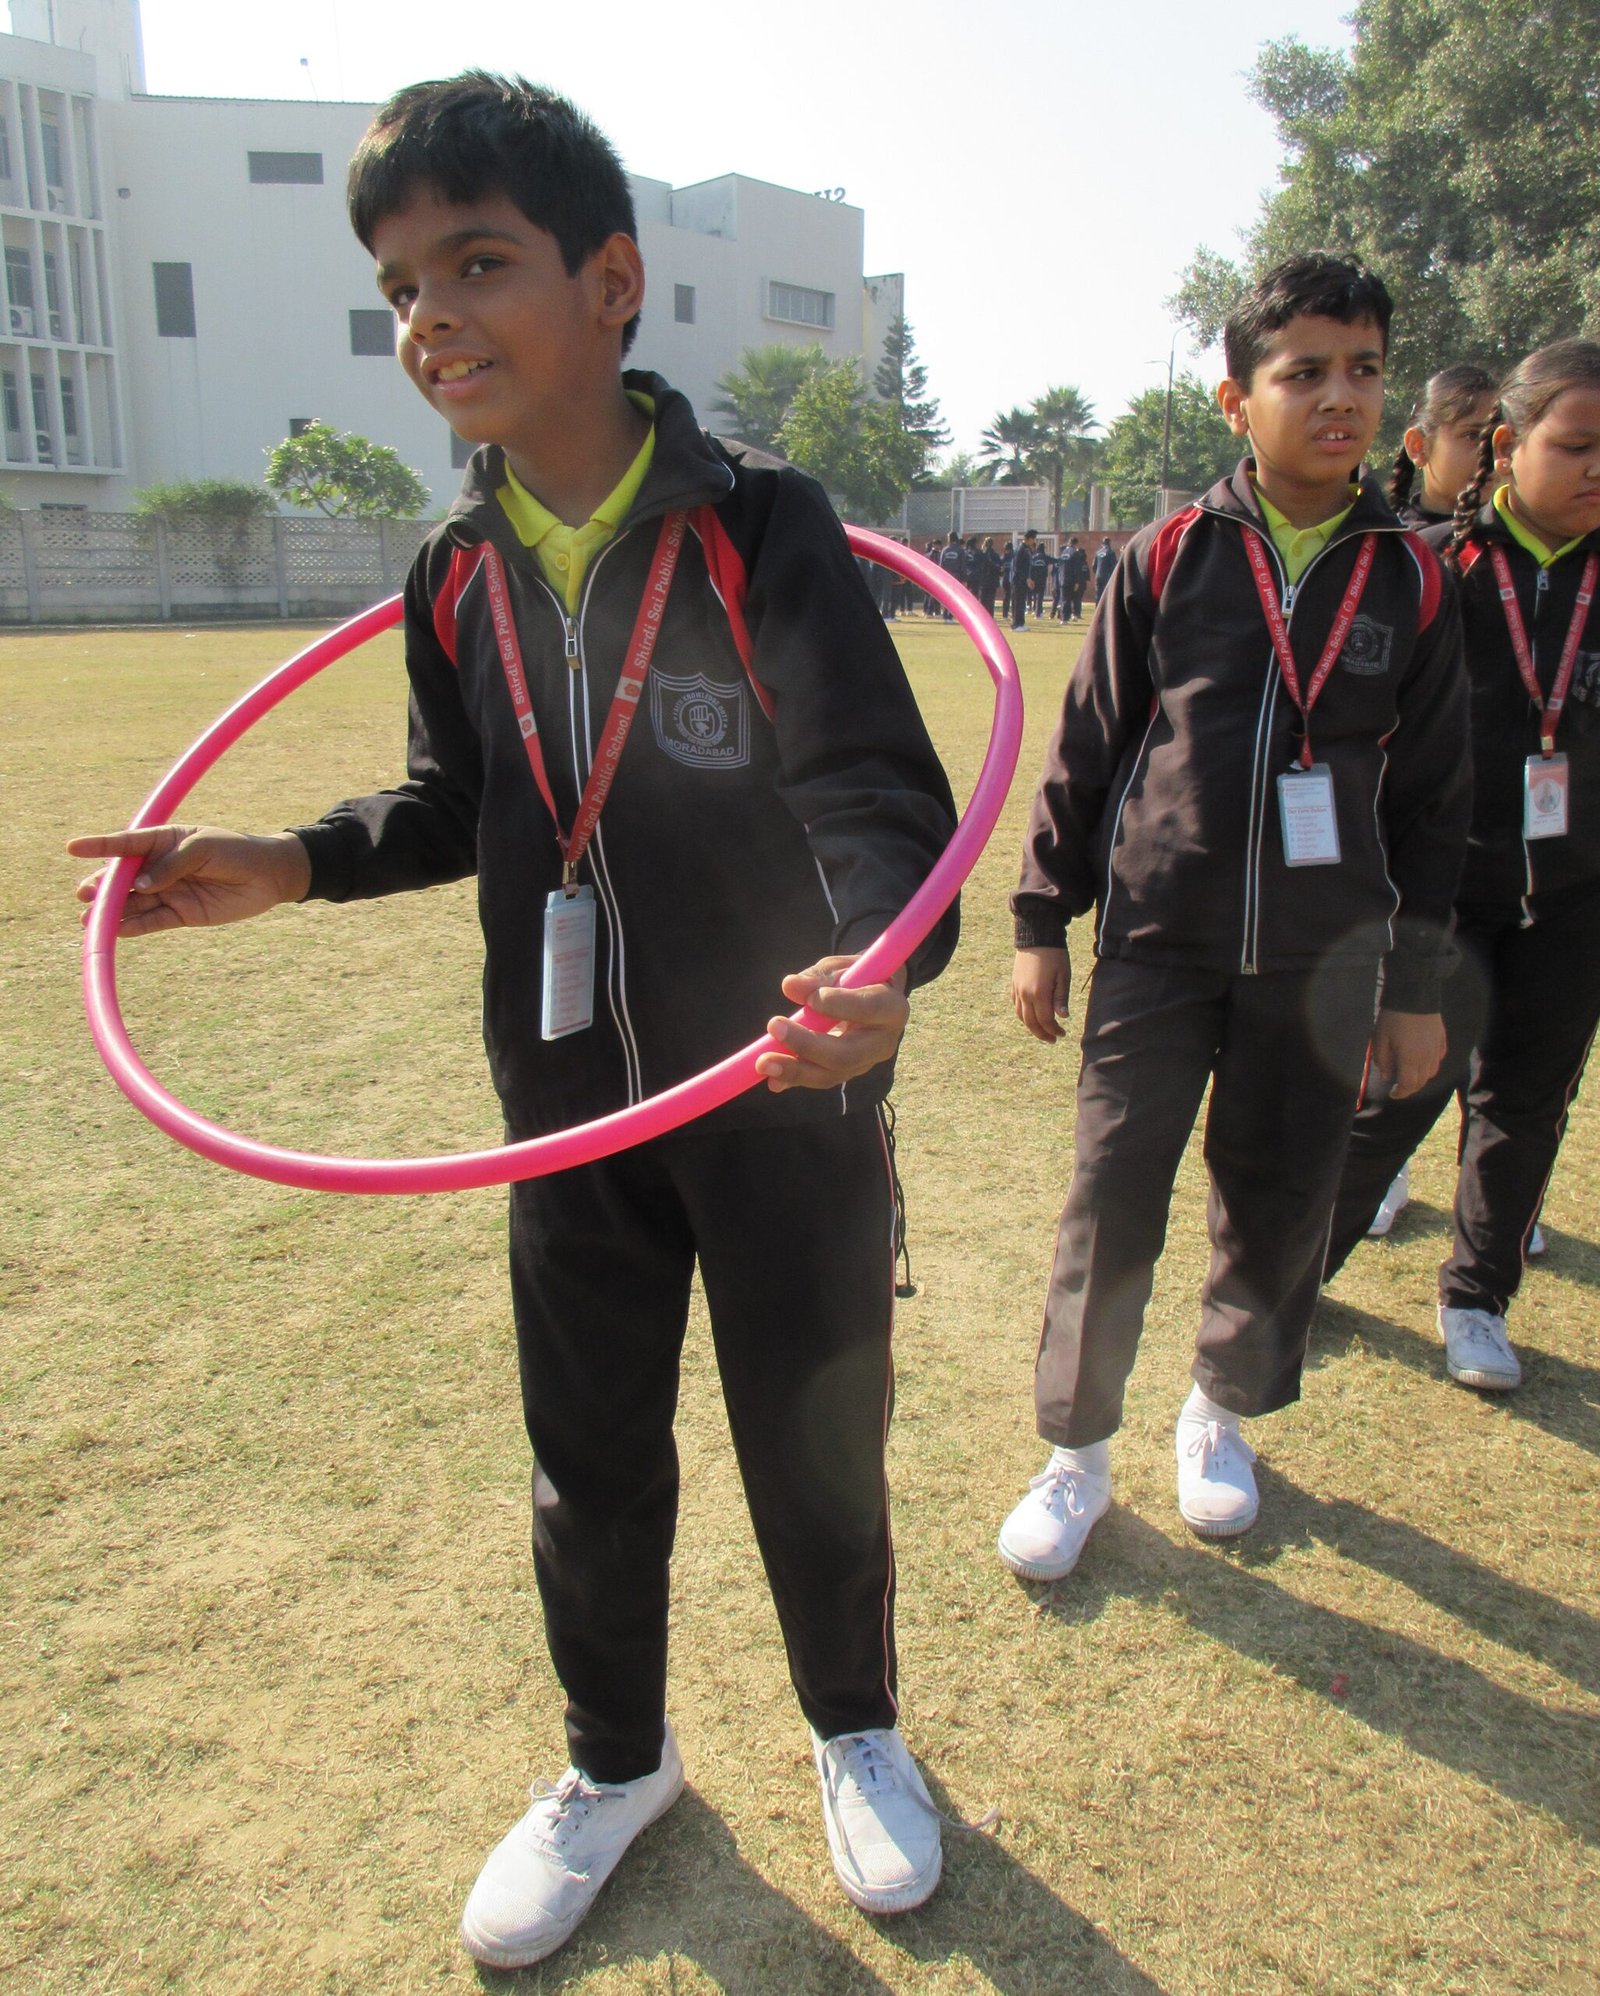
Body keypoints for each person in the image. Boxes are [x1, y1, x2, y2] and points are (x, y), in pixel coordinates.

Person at [70, 72, 958, 1967]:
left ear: (611, 281)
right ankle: (615, 1761)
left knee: (816, 1439)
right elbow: (454, 805)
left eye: (477, 264)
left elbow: (881, 801)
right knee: (588, 1454)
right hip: (565, 1111)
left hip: (780, 1095)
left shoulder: (761, 526)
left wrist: (879, 964)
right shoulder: (453, 569)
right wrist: (291, 862)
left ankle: (856, 1727)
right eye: (401, 285)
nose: (432, 318)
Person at [995, 254, 1469, 1582]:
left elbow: (1437, 805)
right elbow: (1085, 749)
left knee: (1278, 1199)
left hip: (1325, 964)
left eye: (1363, 370)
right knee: (1112, 1196)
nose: (1340, 397)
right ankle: (1077, 1450)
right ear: (1235, 398)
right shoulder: (1168, 556)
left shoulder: (1416, 579)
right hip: (1157, 943)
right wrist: (1040, 918)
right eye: (1303, 371)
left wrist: (1414, 986)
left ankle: (1220, 1413)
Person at [1323, 339, 1600, 1390]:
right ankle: (1293, 1275)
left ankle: (1477, 1297)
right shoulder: (1426, 567)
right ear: (1507, 444)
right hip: (1440, 897)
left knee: (1525, 1106)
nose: (1595, 469)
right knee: (1392, 1095)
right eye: (1574, 445)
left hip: (1574, 900)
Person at [1388, 363, 1498, 529]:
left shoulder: (1520, 536)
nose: (1492, 452)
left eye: (1500, 438)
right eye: (1472, 435)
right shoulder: (1388, 540)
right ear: (1418, 446)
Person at [1011, 527, 1039, 630]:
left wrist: (1029, 578)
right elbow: (1017, 567)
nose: (1034, 541)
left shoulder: (1027, 549)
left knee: (1022, 602)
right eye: (1033, 539)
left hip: (1024, 580)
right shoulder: (1021, 549)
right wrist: (1026, 578)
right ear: (1029, 539)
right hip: (1018, 580)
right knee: (1018, 602)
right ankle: (1016, 624)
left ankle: (1021, 623)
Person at [1091, 535, 1117, 600]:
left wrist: (1097, 573)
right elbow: (1113, 566)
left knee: (1098, 593)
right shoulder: (1111, 552)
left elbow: (1094, 566)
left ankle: (1098, 605)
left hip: (1098, 576)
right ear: (1109, 543)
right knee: (1107, 593)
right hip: (1107, 576)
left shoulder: (1098, 553)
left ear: (1102, 544)